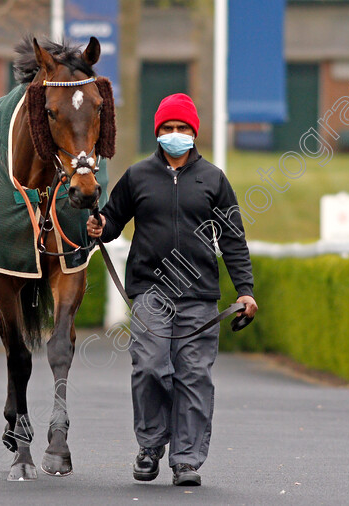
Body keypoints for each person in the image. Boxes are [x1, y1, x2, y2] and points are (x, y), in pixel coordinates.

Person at [86, 93, 258, 487]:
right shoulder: (137, 176)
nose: (175, 134)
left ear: (194, 133)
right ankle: (149, 447)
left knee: (193, 376)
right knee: (149, 368)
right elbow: (111, 222)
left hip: (200, 297)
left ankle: (186, 460)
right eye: (167, 128)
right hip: (151, 293)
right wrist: (98, 227)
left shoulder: (214, 179)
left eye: (182, 128)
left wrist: (245, 290)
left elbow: (233, 240)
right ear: (157, 132)